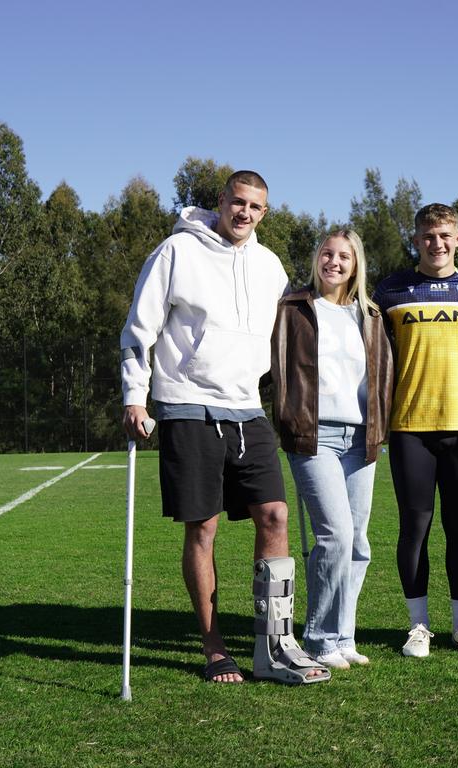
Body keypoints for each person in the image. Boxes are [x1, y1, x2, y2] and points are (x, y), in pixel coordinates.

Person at [120, 170, 329, 685]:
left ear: (265, 212)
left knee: (276, 515)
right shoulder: (176, 252)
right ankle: (214, 649)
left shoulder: (269, 264)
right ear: (221, 201)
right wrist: (134, 397)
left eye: (256, 208)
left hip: (246, 408)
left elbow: (288, 334)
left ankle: (274, 644)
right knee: (204, 527)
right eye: (239, 203)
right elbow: (137, 330)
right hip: (186, 404)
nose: (246, 214)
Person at [373, 203, 458, 658]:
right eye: (428, 237)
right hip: (409, 428)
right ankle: (419, 625)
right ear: (416, 240)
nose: (437, 244)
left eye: (445, 235)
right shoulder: (390, 290)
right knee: (415, 528)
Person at [270, 229, 394, 669]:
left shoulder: (371, 315)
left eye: (344, 256)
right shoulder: (292, 309)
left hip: (362, 438)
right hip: (312, 435)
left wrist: (379, 428)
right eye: (327, 253)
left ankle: (344, 636)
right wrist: (282, 414)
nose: (334, 262)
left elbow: (381, 376)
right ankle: (320, 637)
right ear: (316, 259)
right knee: (335, 535)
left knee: (358, 543)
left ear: (356, 263)